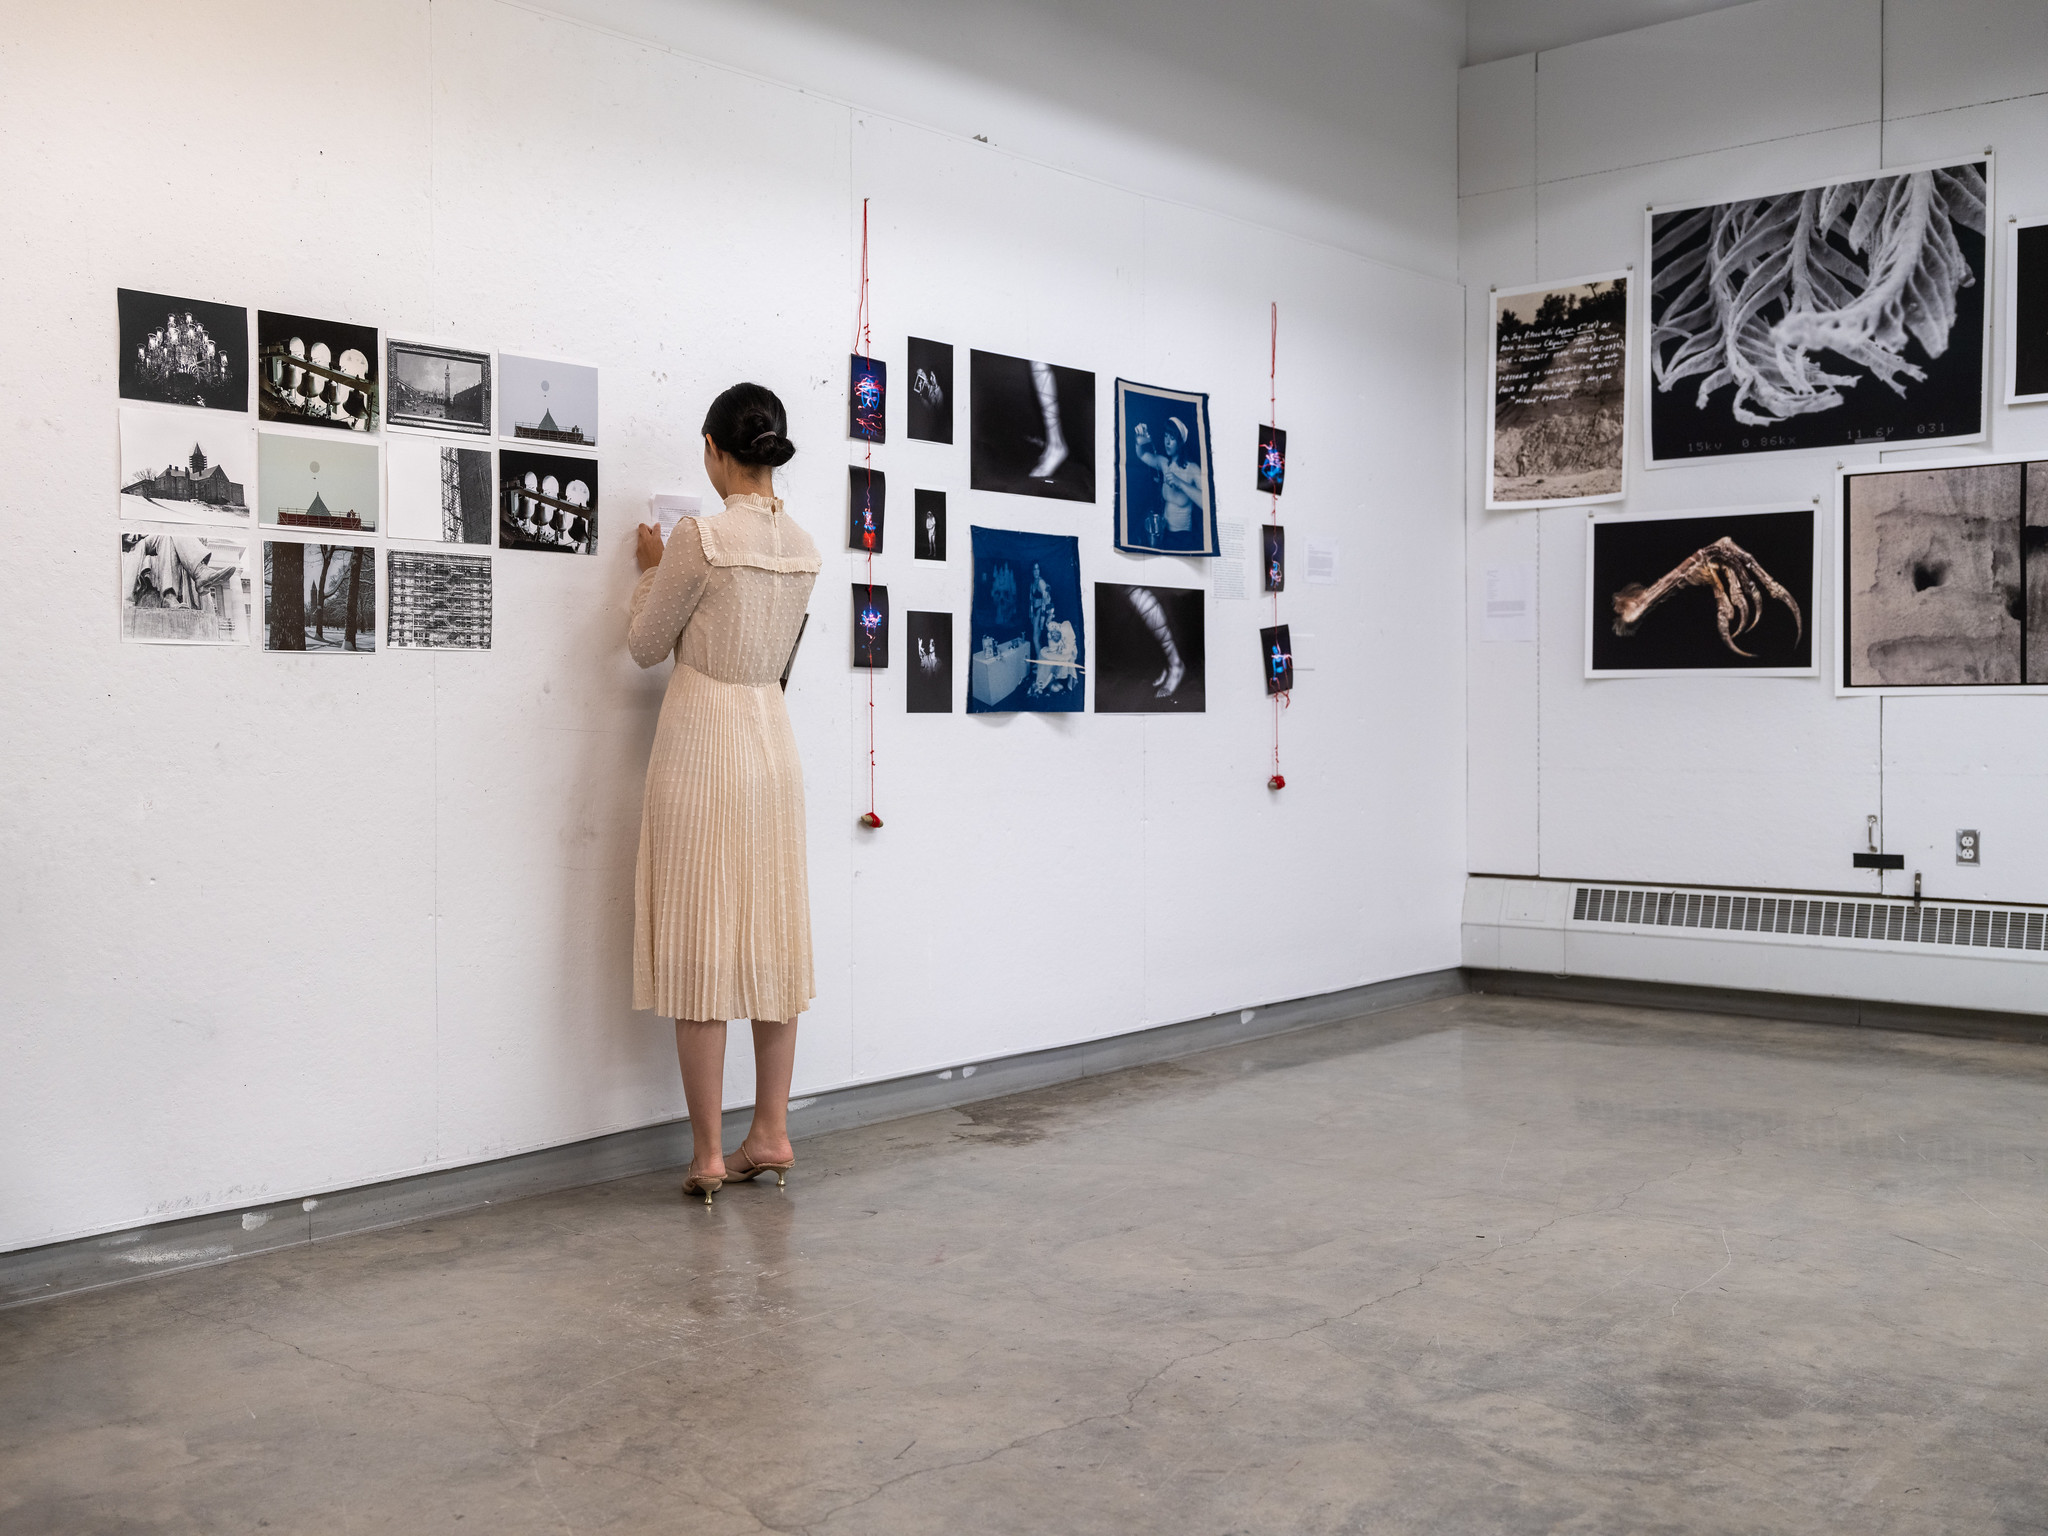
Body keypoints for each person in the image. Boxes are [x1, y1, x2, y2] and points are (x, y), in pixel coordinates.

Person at [627, 383, 821, 1207]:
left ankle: (709, 1152)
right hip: (771, 738)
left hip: (703, 736)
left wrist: (648, 573)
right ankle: (769, 1131)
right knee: (771, 930)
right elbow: (781, 661)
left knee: (702, 936)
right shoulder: (806, 546)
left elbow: (643, 647)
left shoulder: (699, 539)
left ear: (713, 448)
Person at [1131, 417, 1203, 544]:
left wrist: (1180, 483)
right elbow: (1141, 455)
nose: (1167, 442)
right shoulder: (1163, 463)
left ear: (1180, 442)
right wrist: (1140, 442)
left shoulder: (1193, 469)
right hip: (1163, 532)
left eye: (1172, 438)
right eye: (1165, 436)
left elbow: (1207, 503)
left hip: (1183, 536)